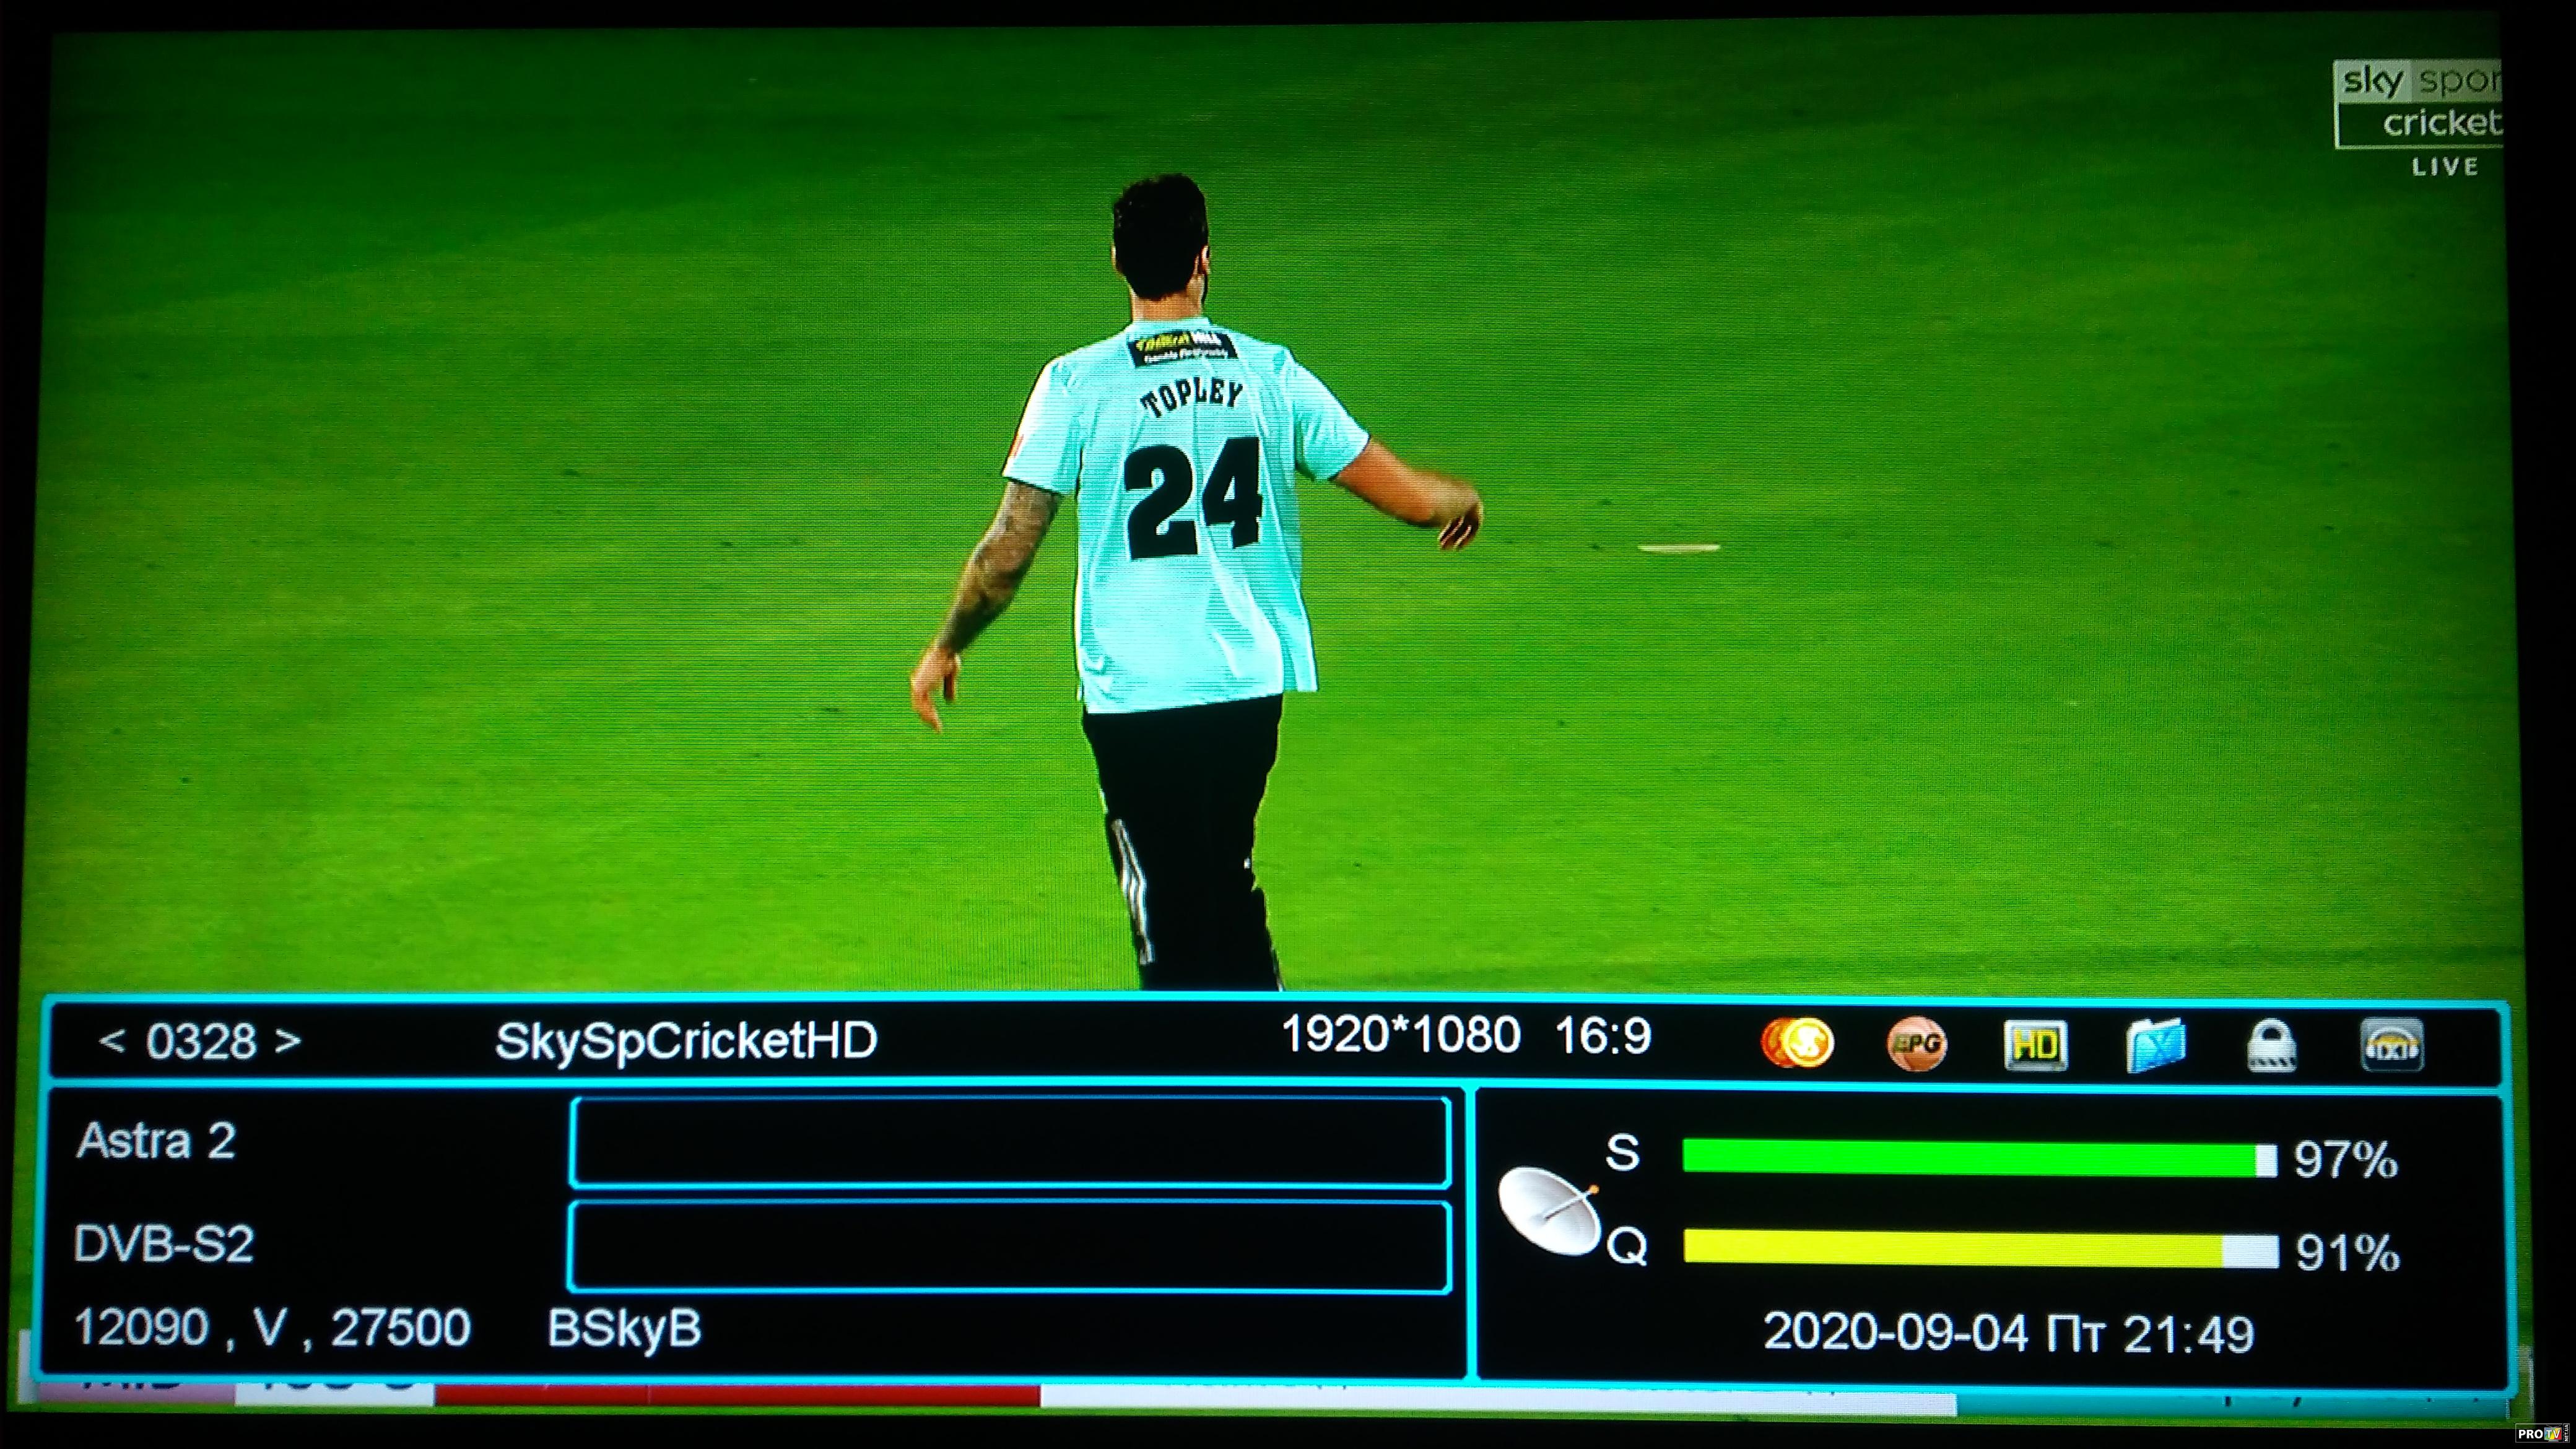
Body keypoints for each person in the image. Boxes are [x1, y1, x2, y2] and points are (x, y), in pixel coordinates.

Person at [910, 173, 1483, 988]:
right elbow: (1412, 500)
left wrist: (947, 644)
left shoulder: (1075, 382)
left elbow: (1007, 552)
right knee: (1225, 880)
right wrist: (1459, 498)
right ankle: (1261, 1049)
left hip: (1139, 694)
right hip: (1248, 685)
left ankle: (1189, 1061)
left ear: (1117, 260)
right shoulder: (1271, 373)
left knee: (1169, 915)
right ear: (1203, 259)